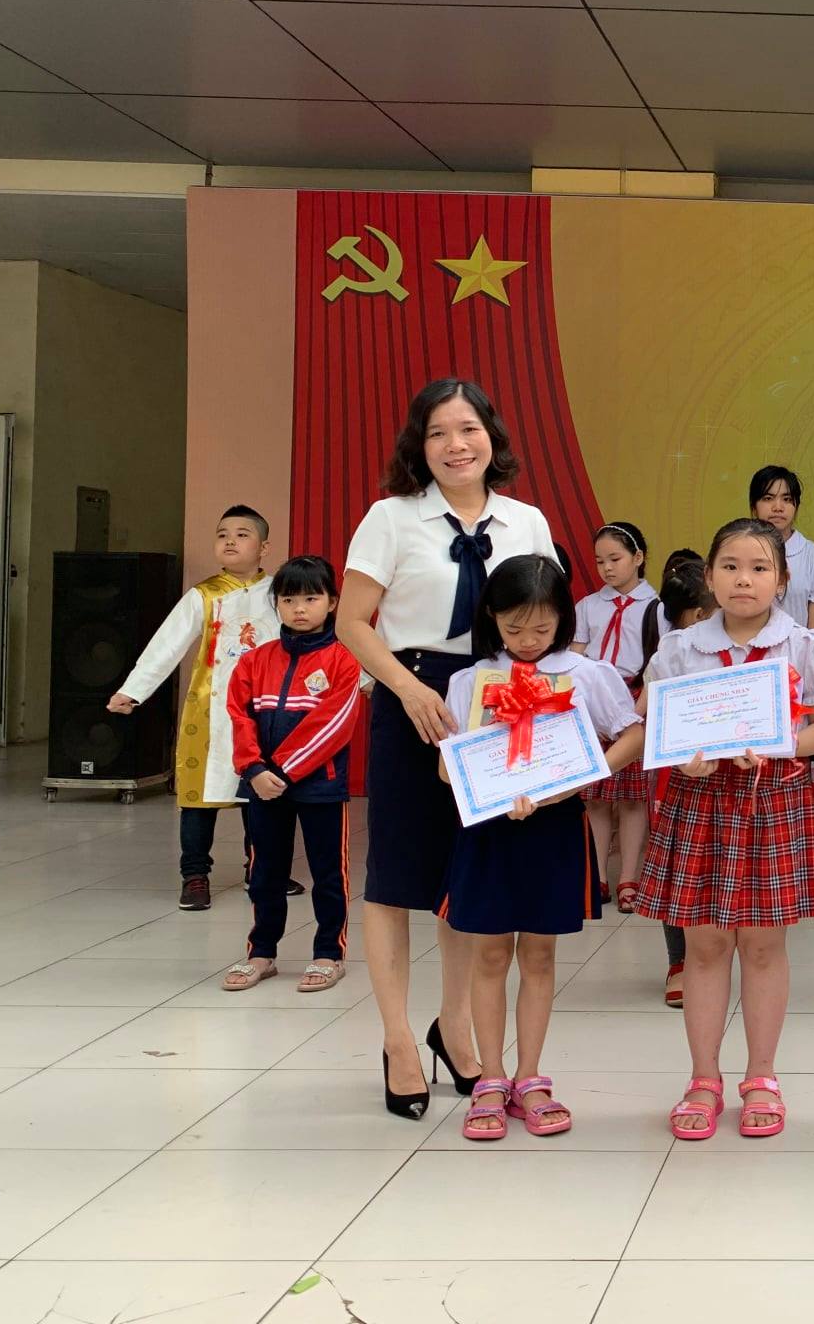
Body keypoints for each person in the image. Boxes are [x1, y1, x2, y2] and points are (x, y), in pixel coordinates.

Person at [337, 376, 558, 1121]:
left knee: (468, 877)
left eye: (468, 429)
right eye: (438, 433)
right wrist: (407, 689)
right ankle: (399, 1040)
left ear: (491, 436)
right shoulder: (391, 518)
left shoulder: (526, 521)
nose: (455, 445)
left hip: (498, 699)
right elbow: (352, 622)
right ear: (419, 445)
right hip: (415, 696)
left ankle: (454, 1026)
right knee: (396, 876)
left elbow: (546, 619)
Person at [640, 519, 814, 1139]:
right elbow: (652, 722)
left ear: (782, 580)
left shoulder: (804, 645)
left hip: (772, 800)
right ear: (709, 576)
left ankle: (762, 1076)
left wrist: (775, 741)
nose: (744, 579)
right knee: (704, 946)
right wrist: (683, 754)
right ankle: (703, 1078)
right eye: (730, 566)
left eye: (759, 568)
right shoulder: (680, 648)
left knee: (762, 945)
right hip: (701, 800)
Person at [443, 556, 647, 1141]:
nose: (529, 641)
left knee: (538, 956)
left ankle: (530, 1077)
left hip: (554, 828)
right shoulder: (471, 680)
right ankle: (490, 1078)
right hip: (489, 830)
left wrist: (583, 775)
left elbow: (633, 732)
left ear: (563, 618)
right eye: (514, 628)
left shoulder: (586, 674)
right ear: (491, 618)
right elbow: (446, 763)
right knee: (488, 956)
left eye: (542, 628)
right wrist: (484, 787)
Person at [109, 504, 283, 911]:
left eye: (242, 534)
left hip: (264, 712)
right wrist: (134, 690)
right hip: (211, 712)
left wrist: (360, 680)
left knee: (261, 796)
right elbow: (167, 644)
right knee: (198, 797)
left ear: (264, 547)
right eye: (223, 534)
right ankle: (195, 875)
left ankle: (259, 869)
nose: (230, 541)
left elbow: (315, 639)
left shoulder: (280, 593)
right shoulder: (203, 595)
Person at [220, 554, 363, 992]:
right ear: (277, 604)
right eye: (288, 599)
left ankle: (329, 954)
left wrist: (280, 770)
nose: (299, 608)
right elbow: (239, 716)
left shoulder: (344, 660)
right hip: (262, 785)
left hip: (320, 786)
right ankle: (261, 953)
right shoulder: (255, 661)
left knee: (328, 873)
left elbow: (334, 725)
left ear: (332, 602)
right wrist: (253, 769)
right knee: (265, 871)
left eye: (311, 598)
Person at [572, 522, 656, 912]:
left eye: (615, 559)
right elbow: (575, 657)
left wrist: (636, 713)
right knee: (596, 796)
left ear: (638, 557)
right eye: (600, 561)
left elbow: (660, 664)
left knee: (633, 796)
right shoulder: (588, 606)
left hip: (637, 699)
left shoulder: (657, 607)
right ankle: (598, 876)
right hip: (593, 702)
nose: (607, 568)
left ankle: (629, 877)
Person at [651, 554, 714, 1006]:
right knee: (679, 869)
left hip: (726, 774)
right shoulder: (673, 652)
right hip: (676, 776)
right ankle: (680, 961)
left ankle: (709, 958)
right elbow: (643, 714)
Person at [752, 464, 814, 632]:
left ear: (796, 506)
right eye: (768, 498)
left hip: (804, 648)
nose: (778, 507)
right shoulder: (741, 554)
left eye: (787, 499)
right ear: (754, 506)